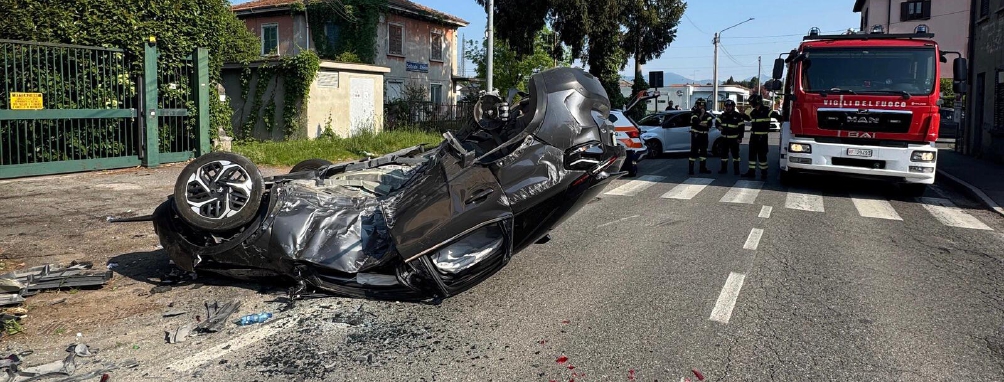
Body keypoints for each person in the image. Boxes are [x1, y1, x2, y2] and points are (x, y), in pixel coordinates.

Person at [743, 94, 780, 180]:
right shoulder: (753, 112)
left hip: (762, 137)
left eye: (752, 103)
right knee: (751, 155)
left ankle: (764, 174)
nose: (751, 104)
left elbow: (775, 115)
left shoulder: (766, 110)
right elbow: (747, 118)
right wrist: (743, 114)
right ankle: (751, 172)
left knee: (762, 156)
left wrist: (781, 119)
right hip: (753, 136)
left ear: (757, 102)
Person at [717, 99, 750, 175]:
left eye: (729, 106)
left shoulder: (737, 116)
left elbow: (741, 128)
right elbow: (717, 121)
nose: (728, 108)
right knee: (724, 155)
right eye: (727, 106)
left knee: (735, 155)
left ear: (733, 107)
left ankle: (736, 170)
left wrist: (740, 138)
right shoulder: (723, 115)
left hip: (734, 139)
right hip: (724, 139)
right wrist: (718, 126)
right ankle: (723, 169)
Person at [688, 98, 716, 175]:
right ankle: (691, 170)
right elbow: (696, 123)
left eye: (703, 106)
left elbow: (709, 125)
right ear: (697, 106)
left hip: (704, 135)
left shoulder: (708, 115)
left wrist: (701, 123)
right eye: (700, 106)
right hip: (696, 135)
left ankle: (702, 168)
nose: (702, 107)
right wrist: (702, 116)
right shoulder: (694, 113)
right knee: (693, 152)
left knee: (703, 152)